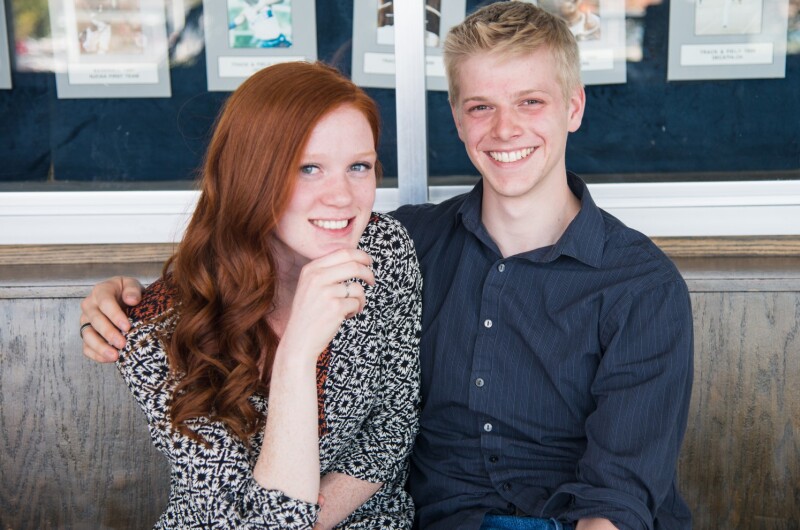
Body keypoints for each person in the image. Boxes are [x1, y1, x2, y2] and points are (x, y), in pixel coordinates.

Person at [79, 2, 693, 529]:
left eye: (531, 101)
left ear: (574, 108)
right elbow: (240, 263)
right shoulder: (401, 242)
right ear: (456, 118)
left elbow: (619, 496)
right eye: (480, 106)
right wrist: (123, 298)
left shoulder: (639, 285)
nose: (505, 128)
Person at [79, 61, 422, 529]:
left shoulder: (383, 252)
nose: (342, 197)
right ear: (250, 176)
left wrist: (311, 521)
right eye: (308, 168)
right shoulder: (155, 332)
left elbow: (389, 431)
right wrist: (297, 354)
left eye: (358, 166)